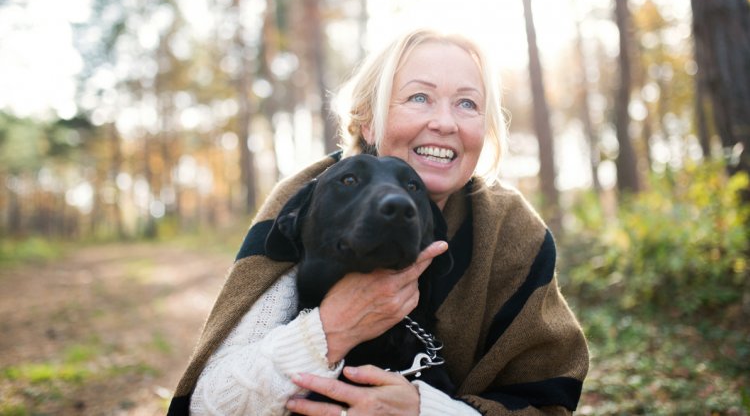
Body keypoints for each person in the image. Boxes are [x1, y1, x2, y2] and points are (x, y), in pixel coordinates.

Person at [168, 28, 589, 415]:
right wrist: (330, 329)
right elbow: (209, 404)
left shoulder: (513, 231)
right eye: (419, 97)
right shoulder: (313, 199)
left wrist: (426, 411)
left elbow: (548, 404)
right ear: (367, 119)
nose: (444, 122)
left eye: (467, 103)